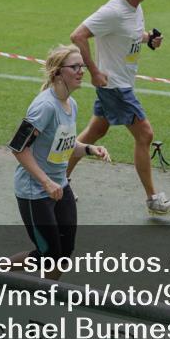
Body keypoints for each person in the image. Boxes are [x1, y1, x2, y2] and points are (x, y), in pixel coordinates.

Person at [67, 0, 170, 216]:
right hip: (115, 87)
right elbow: (78, 36)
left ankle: (58, 180)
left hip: (121, 83)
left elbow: (131, 33)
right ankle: (153, 199)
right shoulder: (112, 11)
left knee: (95, 131)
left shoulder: (135, 8)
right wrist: (94, 71)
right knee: (145, 135)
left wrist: (149, 38)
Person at [8, 44, 110, 280]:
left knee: (64, 252)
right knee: (49, 254)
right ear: (57, 72)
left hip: (60, 187)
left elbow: (64, 143)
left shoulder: (70, 105)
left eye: (82, 66)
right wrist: (45, 183)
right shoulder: (44, 107)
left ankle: (45, 299)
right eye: (75, 67)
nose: (81, 71)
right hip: (35, 192)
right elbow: (18, 148)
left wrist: (89, 149)